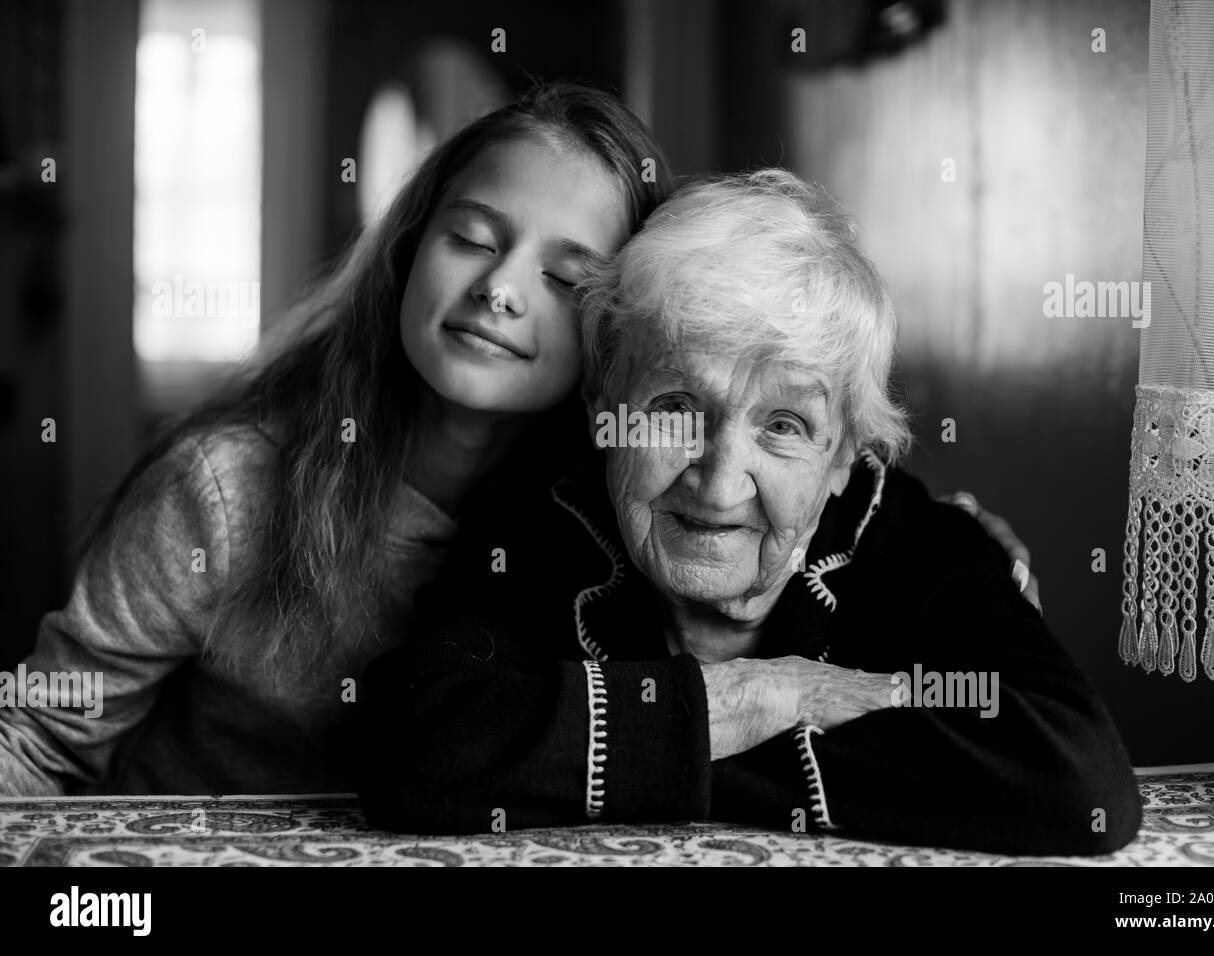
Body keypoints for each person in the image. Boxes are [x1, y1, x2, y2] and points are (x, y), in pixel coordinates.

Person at [359, 170, 1141, 855]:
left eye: (784, 426)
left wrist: (626, 753)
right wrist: (766, 695)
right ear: (604, 399)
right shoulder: (541, 516)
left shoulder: (916, 542)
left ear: (844, 457)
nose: (721, 481)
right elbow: (406, 746)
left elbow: (1079, 784)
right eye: (675, 407)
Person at [0, 84, 670, 795]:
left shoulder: (618, 535)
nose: (500, 287)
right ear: (410, 248)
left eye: (566, 278)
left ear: (616, 333)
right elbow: (41, 735)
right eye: (473, 239)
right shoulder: (225, 488)